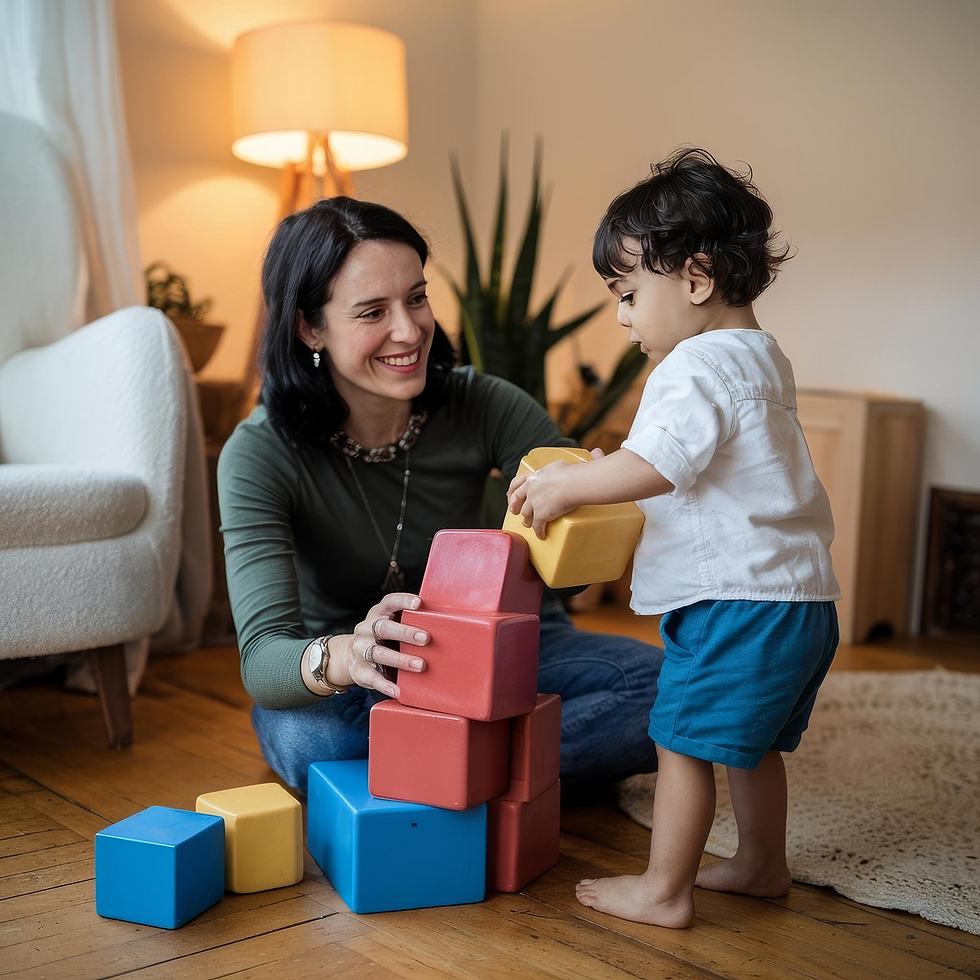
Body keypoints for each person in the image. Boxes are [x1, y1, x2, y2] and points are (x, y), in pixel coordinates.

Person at [217, 196, 664, 798]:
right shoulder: (259, 453)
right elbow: (265, 660)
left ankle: (439, 775)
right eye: (373, 311)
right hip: (362, 667)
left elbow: (567, 579)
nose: (410, 330)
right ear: (309, 327)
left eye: (417, 298)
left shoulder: (486, 403)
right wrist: (352, 656)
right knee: (314, 744)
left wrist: (587, 514)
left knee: (666, 694)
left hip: (501, 645)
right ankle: (506, 770)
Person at [508, 148, 840, 929]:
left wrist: (564, 484)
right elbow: (686, 471)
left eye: (628, 294)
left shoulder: (691, 367)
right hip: (799, 600)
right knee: (755, 745)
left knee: (680, 741)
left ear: (695, 279)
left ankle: (664, 891)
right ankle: (762, 863)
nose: (621, 316)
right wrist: (607, 472)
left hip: (735, 603)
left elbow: (659, 462)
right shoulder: (761, 359)